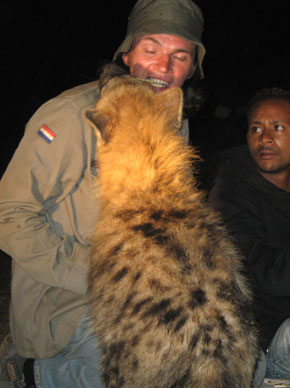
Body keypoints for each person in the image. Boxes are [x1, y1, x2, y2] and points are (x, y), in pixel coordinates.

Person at [0, 0, 206, 387]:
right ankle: (32, 371)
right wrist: (96, 274)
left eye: (180, 56)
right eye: (151, 50)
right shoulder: (70, 116)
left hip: (147, 294)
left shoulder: (172, 119)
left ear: (192, 68)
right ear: (127, 55)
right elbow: (8, 213)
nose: (164, 68)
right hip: (66, 304)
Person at [209, 87, 290, 381]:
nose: (265, 138)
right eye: (255, 129)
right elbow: (265, 272)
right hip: (272, 339)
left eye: (278, 127)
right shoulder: (229, 194)